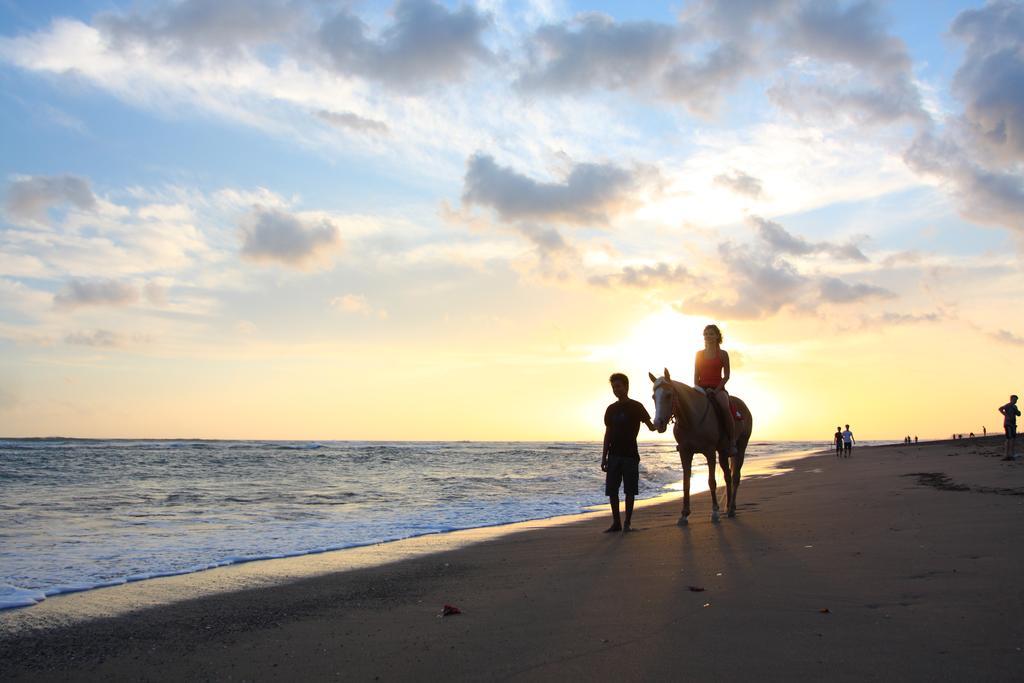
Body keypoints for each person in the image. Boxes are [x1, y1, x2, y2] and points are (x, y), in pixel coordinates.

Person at [602, 373, 654, 532]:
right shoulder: (611, 409)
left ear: (626, 386)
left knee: (630, 490)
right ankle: (616, 522)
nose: (616, 390)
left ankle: (627, 523)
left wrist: (661, 424)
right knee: (612, 490)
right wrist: (604, 456)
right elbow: (608, 433)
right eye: (613, 387)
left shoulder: (636, 406)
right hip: (614, 455)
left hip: (630, 455)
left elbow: (651, 426)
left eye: (618, 386)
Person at [694, 324, 736, 455]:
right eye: (706, 334)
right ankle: (687, 440)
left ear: (717, 336)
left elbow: (727, 375)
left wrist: (716, 390)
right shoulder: (699, 354)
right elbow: (696, 374)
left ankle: (732, 441)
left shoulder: (723, 354)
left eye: (711, 334)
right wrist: (697, 389)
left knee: (724, 406)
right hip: (701, 388)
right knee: (687, 406)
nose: (708, 336)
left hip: (717, 389)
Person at [999, 395, 1020, 461]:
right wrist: (1006, 415)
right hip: (1008, 424)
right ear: (1011, 399)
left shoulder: (1015, 406)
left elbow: (1018, 414)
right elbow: (1000, 409)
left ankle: (1011, 454)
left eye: (1016, 400)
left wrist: (1017, 411)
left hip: (1013, 424)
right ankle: (1007, 455)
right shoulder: (1008, 405)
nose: (1015, 401)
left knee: (1013, 439)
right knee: (1009, 438)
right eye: (1014, 399)